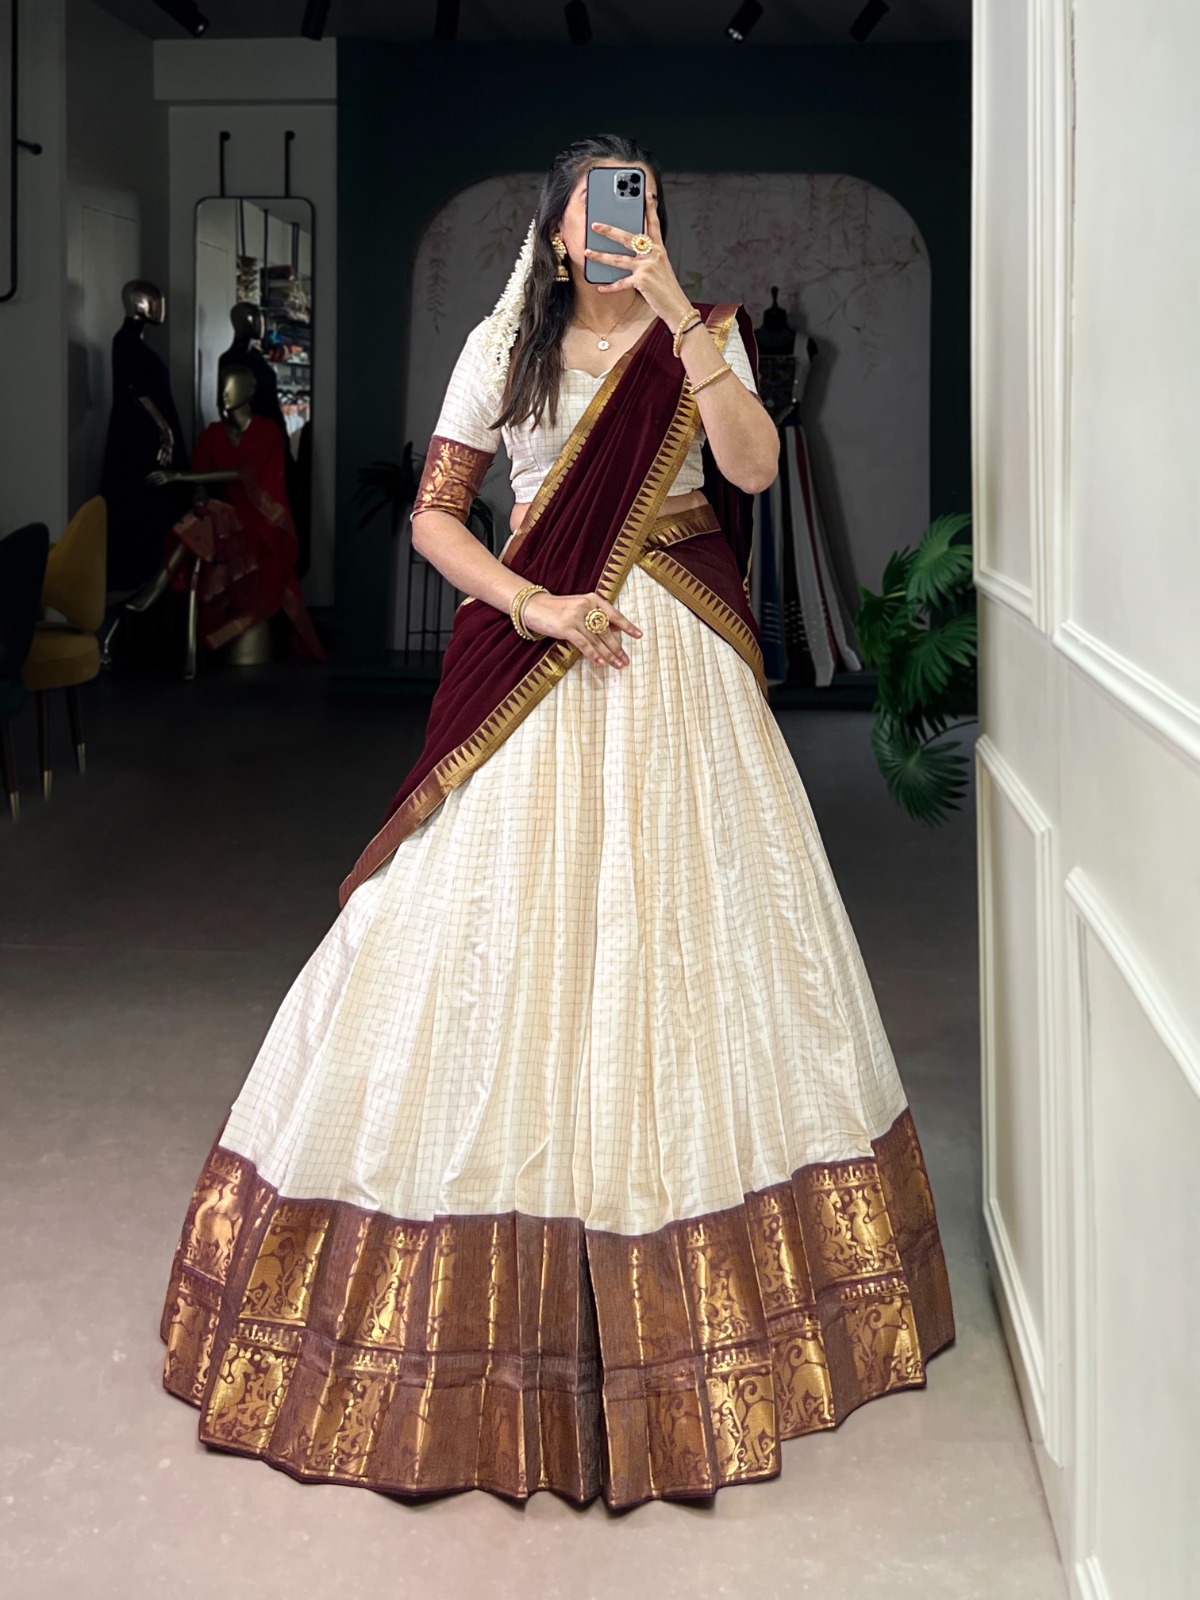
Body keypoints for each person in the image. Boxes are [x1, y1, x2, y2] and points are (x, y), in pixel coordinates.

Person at [158, 134, 955, 1510]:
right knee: (485, 938)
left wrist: (681, 314)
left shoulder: (699, 333)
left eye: (636, 205)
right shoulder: (503, 349)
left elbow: (754, 472)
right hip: (543, 654)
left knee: (693, 939)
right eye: (595, 211)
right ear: (556, 227)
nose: (614, 229)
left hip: (680, 664)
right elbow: (436, 519)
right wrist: (534, 605)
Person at [145, 364, 326, 666]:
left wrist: (180, 476)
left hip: (258, 523)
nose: (224, 393)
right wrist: (198, 492)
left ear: (249, 391)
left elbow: (245, 475)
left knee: (209, 520)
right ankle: (186, 638)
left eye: (232, 386)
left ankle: (158, 585)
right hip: (220, 521)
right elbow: (202, 473)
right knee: (206, 519)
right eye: (222, 387)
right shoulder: (212, 434)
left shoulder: (267, 432)